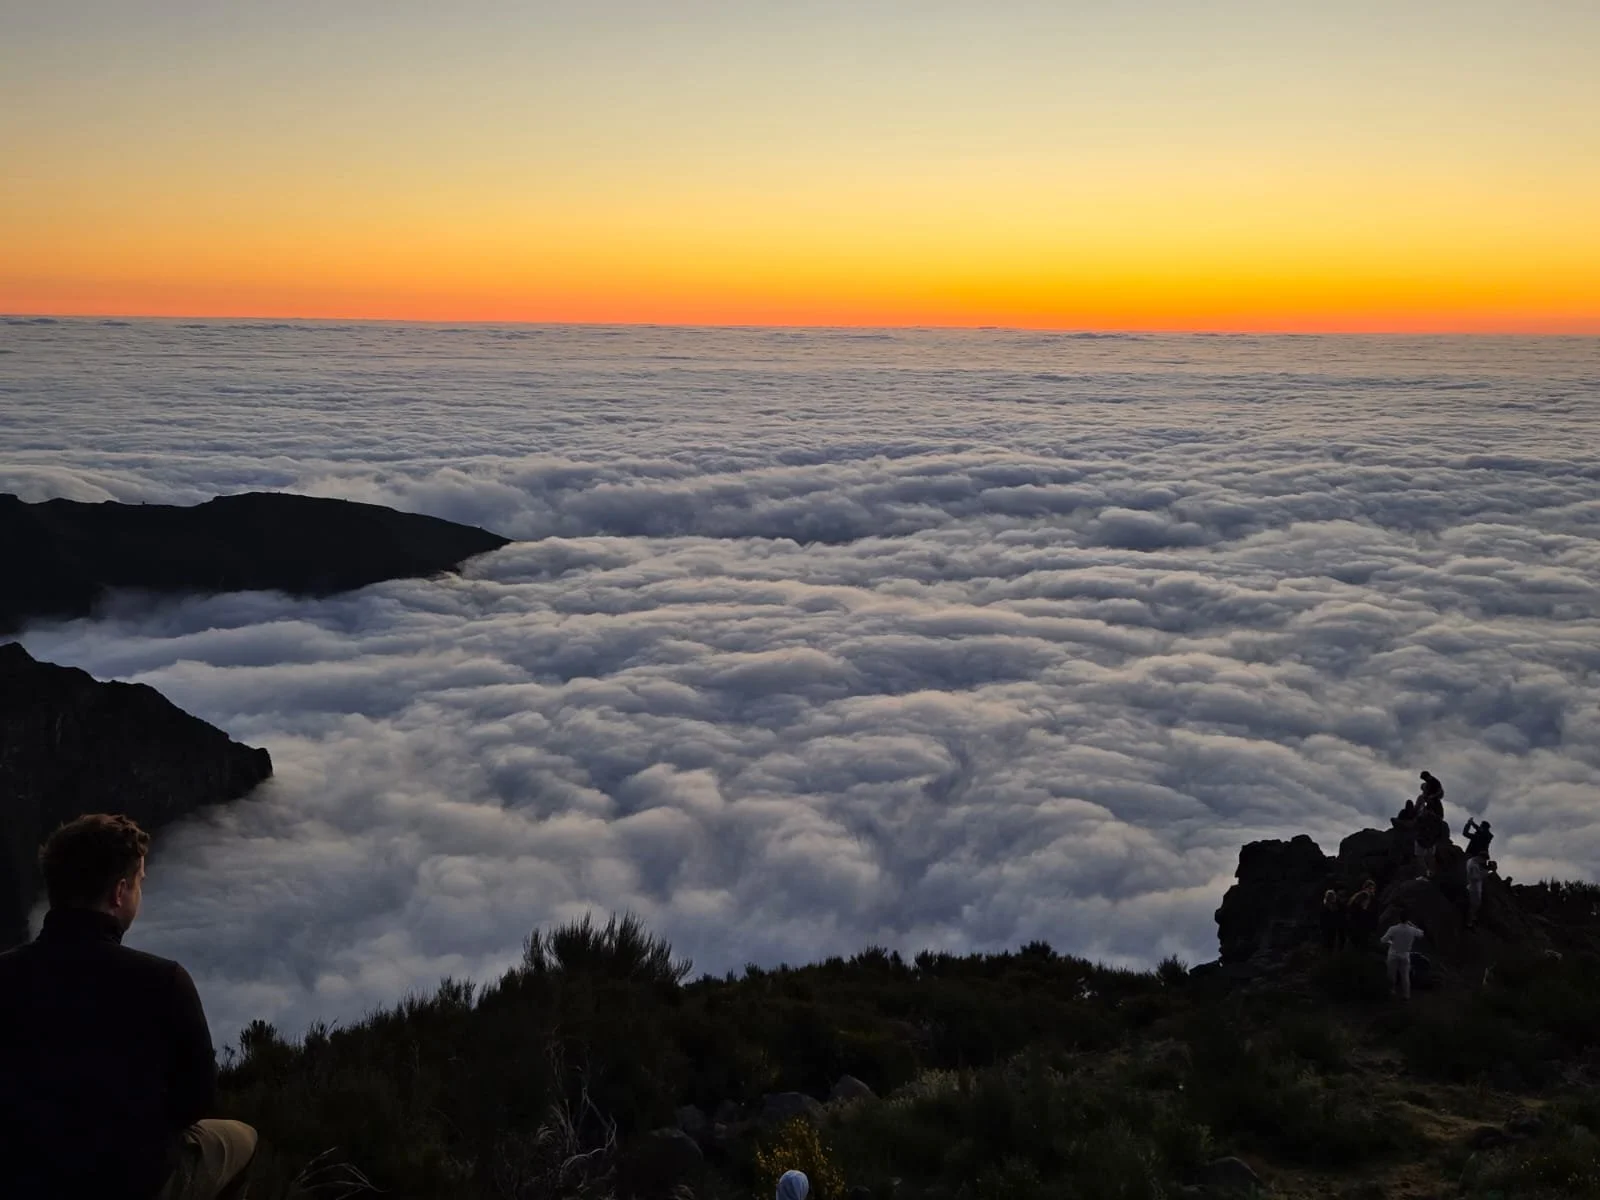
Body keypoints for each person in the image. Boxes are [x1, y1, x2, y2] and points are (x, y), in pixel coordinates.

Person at [0, 814, 256, 1199]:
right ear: (119, 893)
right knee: (241, 1139)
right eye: (139, 882)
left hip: (19, 1176)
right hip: (128, 1179)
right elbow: (198, 1100)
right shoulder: (162, 981)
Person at [1381, 914, 1425, 1001]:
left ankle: (1391, 991)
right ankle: (1406, 995)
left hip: (1393, 954)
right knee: (1405, 975)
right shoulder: (1412, 930)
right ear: (1408, 920)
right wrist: (1412, 925)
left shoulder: (1393, 928)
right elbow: (1421, 934)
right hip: (1405, 954)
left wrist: (1391, 942)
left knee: (1391, 974)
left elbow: (1383, 940)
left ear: (1399, 919)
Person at [1414, 804, 1445, 879]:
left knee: (1420, 857)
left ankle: (1425, 873)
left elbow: (1416, 828)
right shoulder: (1438, 820)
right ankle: (1431, 874)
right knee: (1431, 858)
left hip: (1421, 841)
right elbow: (1440, 833)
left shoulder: (1421, 818)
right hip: (1432, 842)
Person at [1346, 880, 1378, 948]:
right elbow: (1354, 912)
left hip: (1363, 927)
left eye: (1372, 888)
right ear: (1365, 888)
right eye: (1369, 888)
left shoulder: (1372, 900)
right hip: (1356, 926)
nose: (1371, 890)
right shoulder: (1361, 896)